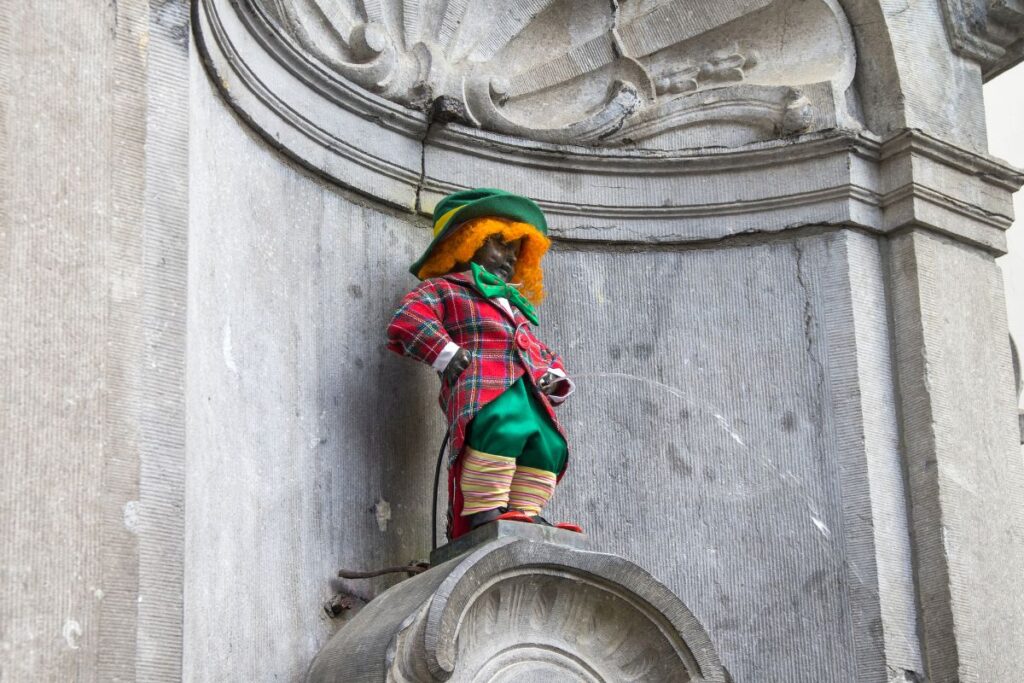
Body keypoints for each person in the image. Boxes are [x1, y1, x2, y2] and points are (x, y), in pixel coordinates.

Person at [386, 188, 581, 540]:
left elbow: (534, 348)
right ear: (465, 242)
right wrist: (445, 352)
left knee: (548, 444)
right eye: (498, 243)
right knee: (501, 429)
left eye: (515, 249)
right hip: (484, 392)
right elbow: (409, 318)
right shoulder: (447, 289)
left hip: (526, 391)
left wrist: (552, 376)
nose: (508, 257)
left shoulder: (515, 305)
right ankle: (485, 510)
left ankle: (524, 511)